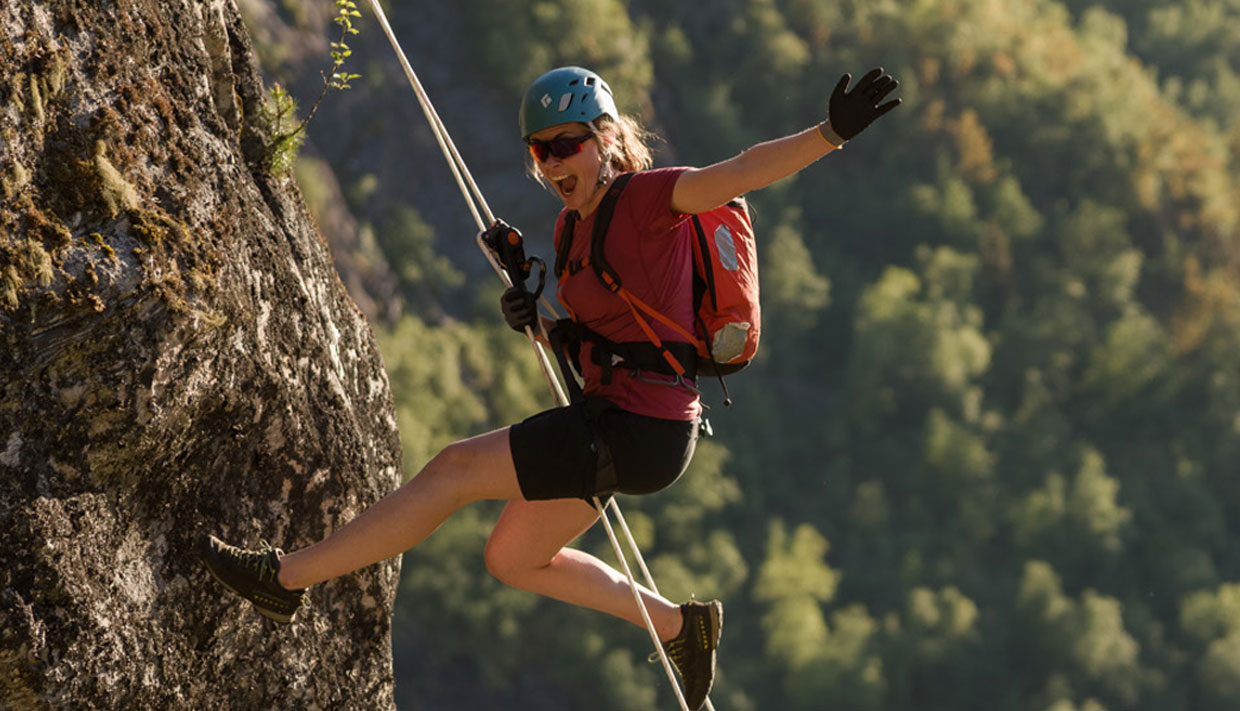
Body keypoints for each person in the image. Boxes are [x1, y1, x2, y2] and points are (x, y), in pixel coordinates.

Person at [202, 65, 899, 710]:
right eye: (541, 152)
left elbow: (742, 169)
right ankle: (681, 626)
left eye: (567, 144)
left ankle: (285, 578)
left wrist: (830, 132)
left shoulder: (651, 199)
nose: (556, 163)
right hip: (617, 415)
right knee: (511, 556)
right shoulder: (570, 230)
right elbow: (594, 341)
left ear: (604, 138)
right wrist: (535, 314)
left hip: (645, 426)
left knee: (454, 469)